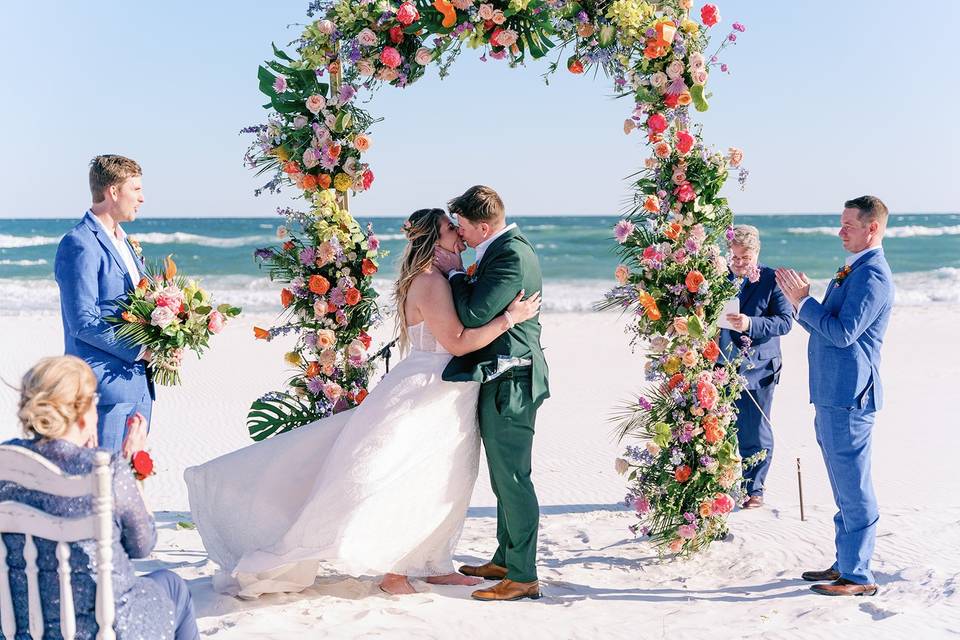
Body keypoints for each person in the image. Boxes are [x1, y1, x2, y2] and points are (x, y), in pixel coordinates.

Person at [184, 208, 541, 597]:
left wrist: (458, 271)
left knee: (447, 480)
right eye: (449, 228)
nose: (457, 233)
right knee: (412, 478)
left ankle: (434, 564)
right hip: (431, 389)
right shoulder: (430, 283)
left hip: (448, 389)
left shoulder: (439, 277)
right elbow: (456, 342)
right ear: (432, 241)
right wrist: (511, 318)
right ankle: (397, 572)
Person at [1, 356, 199, 639]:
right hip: (102, 626)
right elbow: (142, 546)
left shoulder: (7, 461)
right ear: (82, 411)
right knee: (174, 586)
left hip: (21, 626)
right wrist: (134, 471)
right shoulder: (104, 467)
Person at [434, 185, 550, 602]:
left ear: (483, 226)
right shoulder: (499, 249)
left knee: (514, 478)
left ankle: (522, 576)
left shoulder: (511, 255)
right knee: (503, 477)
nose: (460, 235)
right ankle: (505, 557)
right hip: (500, 374)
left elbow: (473, 313)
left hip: (513, 378)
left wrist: (452, 271)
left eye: (462, 226)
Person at [776, 195, 895, 597]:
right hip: (831, 392)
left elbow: (844, 333)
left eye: (848, 225)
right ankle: (846, 562)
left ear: (871, 228)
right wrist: (804, 304)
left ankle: (859, 575)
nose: (840, 231)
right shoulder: (854, 269)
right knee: (842, 483)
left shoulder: (873, 275)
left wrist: (803, 302)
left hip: (850, 395)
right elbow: (832, 328)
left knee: (854, 484)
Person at [54, 155, 154, 454]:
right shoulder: (79, 243)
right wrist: (140, 349)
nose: (142, 198)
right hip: (104, 390)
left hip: (137, 386)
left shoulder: (124, 242)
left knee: (132, 481)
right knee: (102, 487)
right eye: (135, 189)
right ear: (113, 191)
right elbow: (83, 322)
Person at [718, 225, 793, 509]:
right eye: (734, 257)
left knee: (754, 429)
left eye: (744, 258)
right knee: (720, 427)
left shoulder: (772, 279)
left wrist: (750, 323)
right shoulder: (717, 277)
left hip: (759, 367)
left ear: (756, 254)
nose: (738, 263)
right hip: (721, 364)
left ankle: (754, 489)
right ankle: (720, 485)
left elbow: (785, 322)